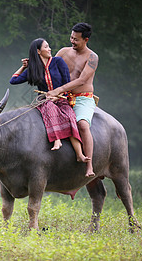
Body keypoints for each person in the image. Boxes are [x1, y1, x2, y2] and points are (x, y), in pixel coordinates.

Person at [10, 38, 90, 163]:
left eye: (48, 46)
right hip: (45, 101)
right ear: (38, 51)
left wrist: (58, 95)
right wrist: (23, 67)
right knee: (49, 107)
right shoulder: (33, 68)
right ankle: (56, 140)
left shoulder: (58, 62)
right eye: (46, 47)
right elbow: (13, 80)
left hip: (62, 99)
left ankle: (79, 154)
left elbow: (67, 83)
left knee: (70, 116)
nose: (49, 49)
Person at [47, 23, 97, 178]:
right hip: (61, 97)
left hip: (82, 98)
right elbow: (50, 69)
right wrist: (32, 64)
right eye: (71, 37)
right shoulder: (63, 52)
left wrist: (59, 90)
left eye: (76, 39)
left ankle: (89, 164)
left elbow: (82, 80)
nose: (72, 41)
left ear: (86, 40)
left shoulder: (92, 57)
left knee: (82, 124)